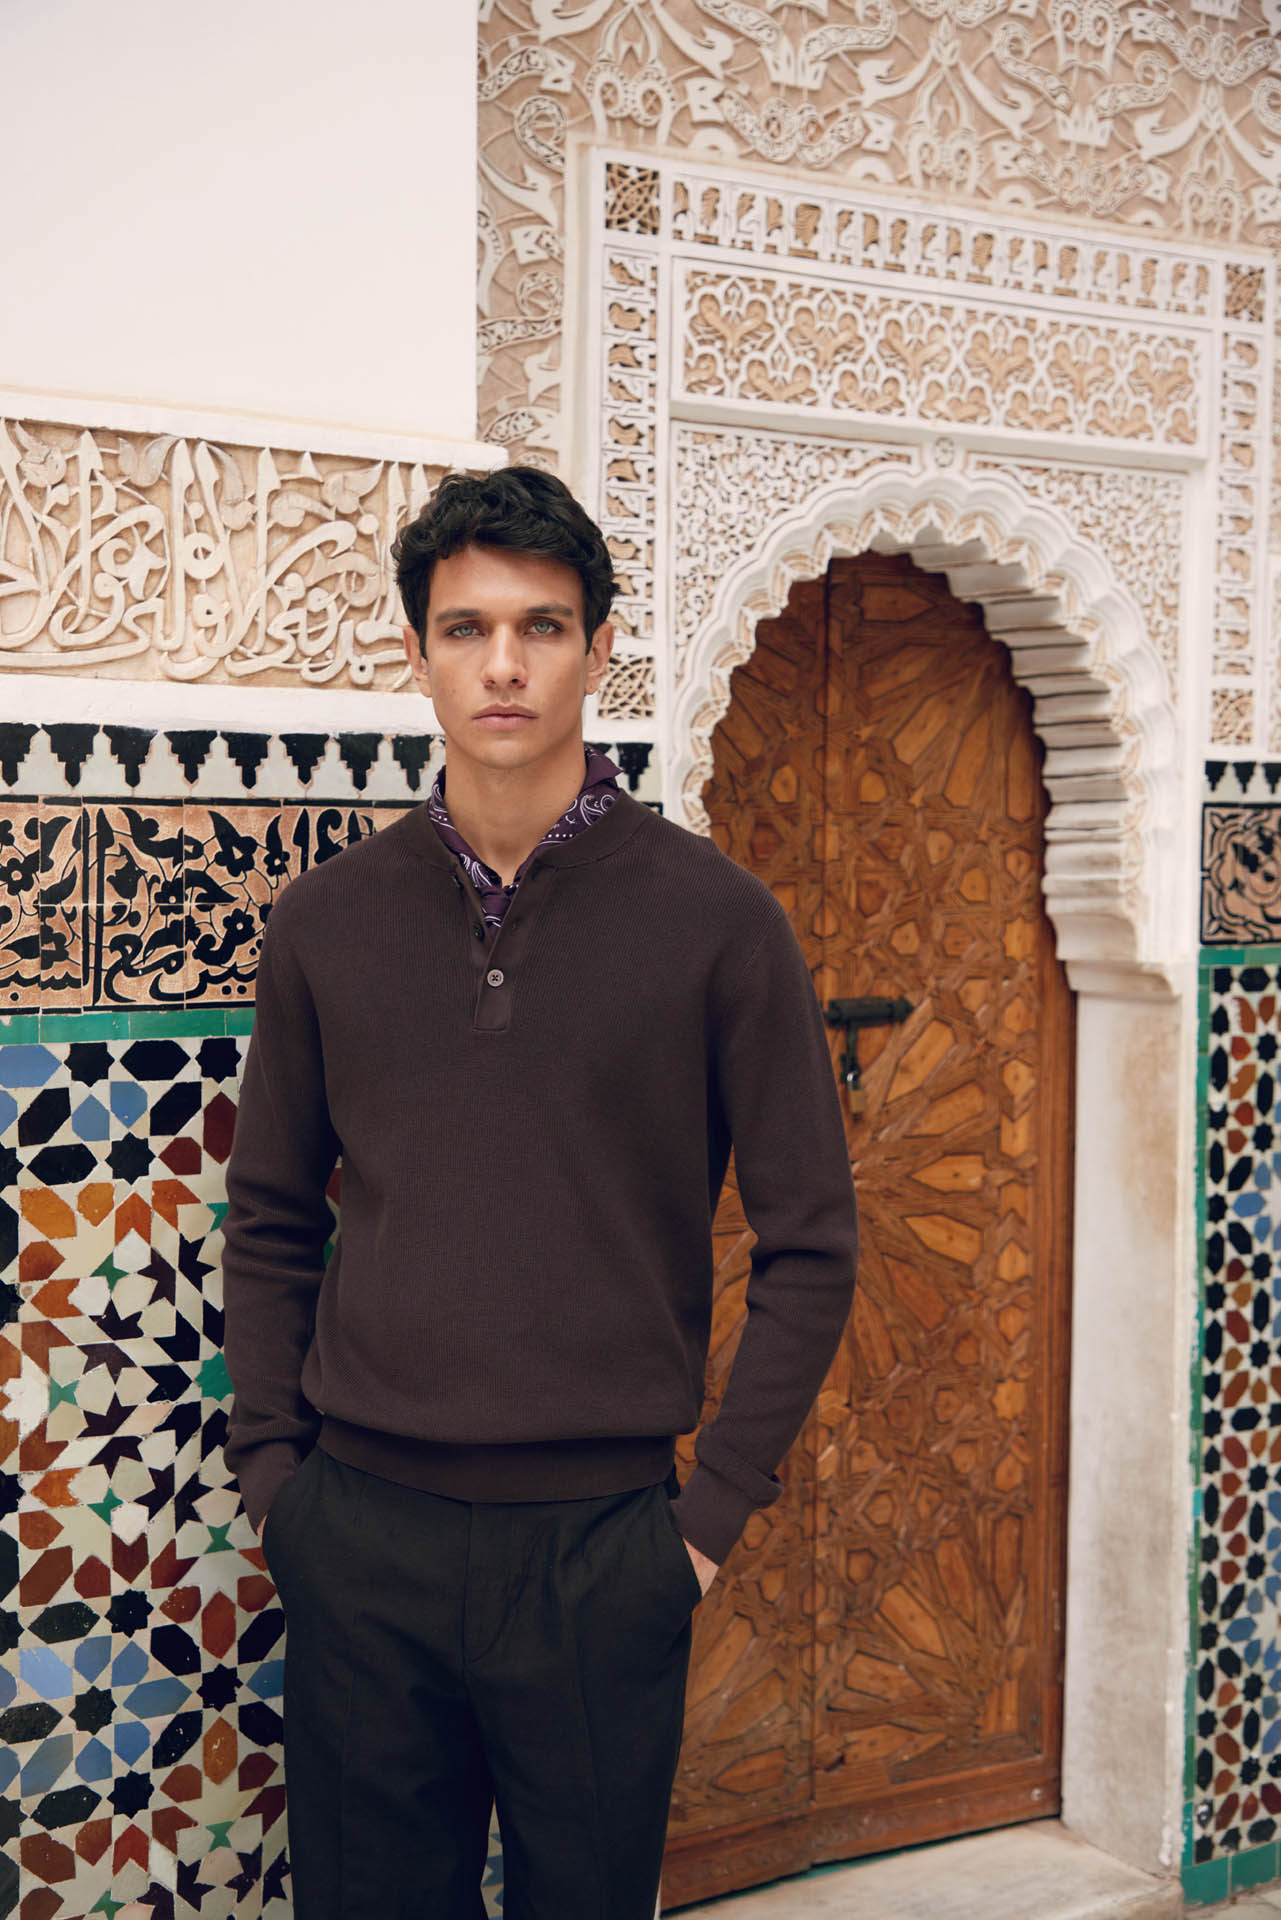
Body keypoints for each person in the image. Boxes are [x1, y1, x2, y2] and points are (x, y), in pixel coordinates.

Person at [221, 466, 859, 1920]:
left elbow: (813, 1244)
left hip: (602, 1549)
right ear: (418, 653)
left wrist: (703, 1526)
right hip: (359, 1535)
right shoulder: (327, 922)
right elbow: (270, 1220)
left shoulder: (718, 923)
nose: (501, 664)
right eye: (466, 628)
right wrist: (278, 1488)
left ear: (598, 649)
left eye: (541, 627)